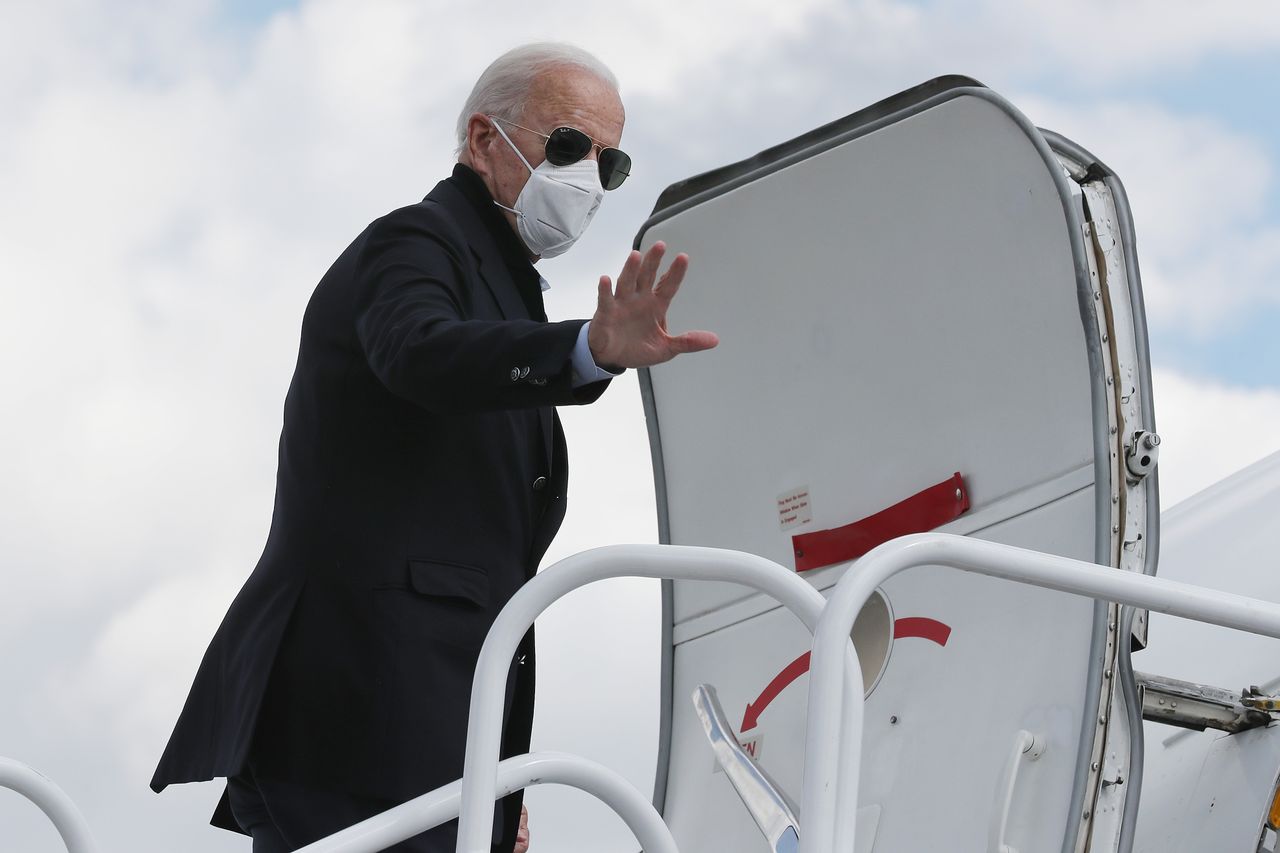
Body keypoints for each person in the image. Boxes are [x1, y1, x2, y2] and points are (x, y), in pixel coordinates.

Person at [149, 43, 717, 853]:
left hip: (432, 744)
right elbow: (419, 352)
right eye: (566, 147)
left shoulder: (496, 285)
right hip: (356, 723)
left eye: (609, 161)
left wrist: (493, 776)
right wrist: (585, 349)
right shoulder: (414, 242)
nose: (587, 177)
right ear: (485, 140)